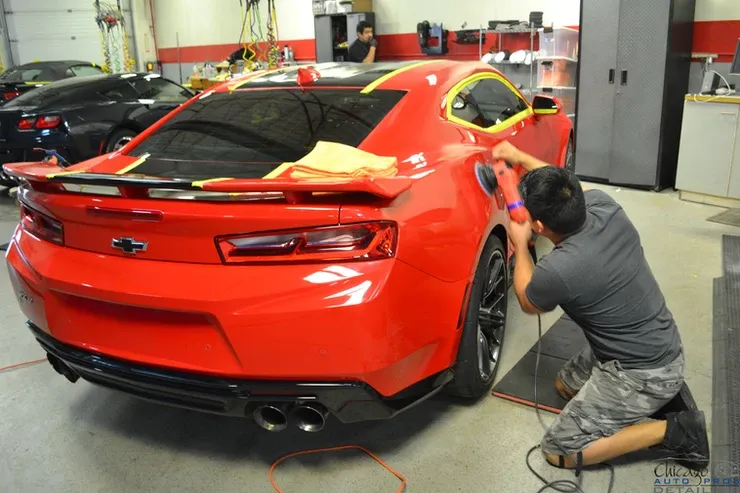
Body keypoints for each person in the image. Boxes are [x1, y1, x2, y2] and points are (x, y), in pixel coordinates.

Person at [490, 141, 710, 473]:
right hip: (653, 340)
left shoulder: (558, 270)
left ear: (537, 226)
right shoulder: (604, 205)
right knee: (564, 386)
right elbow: (566, 183)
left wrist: (519, 246)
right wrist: (520, 157)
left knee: (559, 450)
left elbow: (527, 301)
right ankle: (662, 397)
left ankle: (676, 430)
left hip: (642, 371)